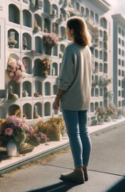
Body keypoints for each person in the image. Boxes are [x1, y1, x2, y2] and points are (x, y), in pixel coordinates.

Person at [54, 17, 93, 184]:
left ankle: (77, 170)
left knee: (74, 134)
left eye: (66, 28)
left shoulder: (71, 49)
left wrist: (57, 97)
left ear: (72, 30)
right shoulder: (87, 51)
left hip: (71, 98)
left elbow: (66, 78)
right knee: (84, 132)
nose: (65, 31)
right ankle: (84, 169)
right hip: (84, 98)